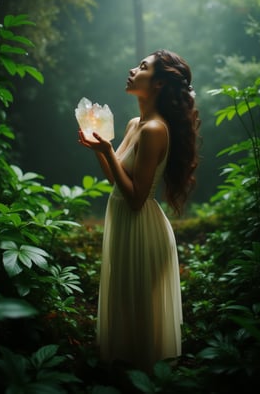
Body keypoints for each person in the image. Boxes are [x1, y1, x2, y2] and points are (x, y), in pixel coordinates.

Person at [78, 49, 200, 373]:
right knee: (124, 306)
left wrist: (106, 149)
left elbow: (136, 198)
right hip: (123, 221)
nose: (133, 70)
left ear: (158, 84)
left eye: (142, 67)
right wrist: (99, 148)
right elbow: (117, 179)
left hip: (142, 227)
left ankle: (146, 380)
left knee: (139, 316)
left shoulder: (155, 130)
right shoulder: (135, 123)